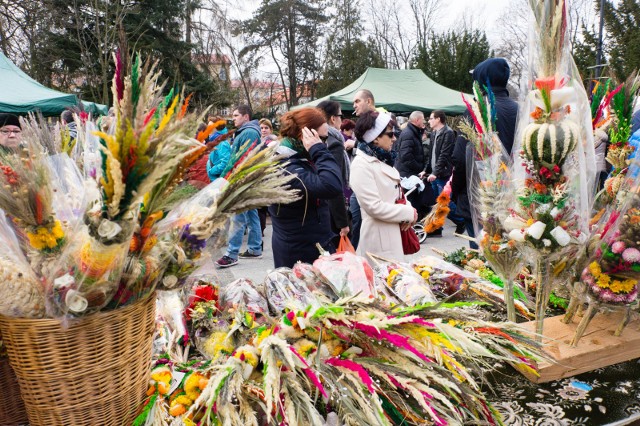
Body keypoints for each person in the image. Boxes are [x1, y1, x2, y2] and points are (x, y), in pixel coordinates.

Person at [451, 58, 519, 249]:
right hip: (512, 198)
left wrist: (454, 192)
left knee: (483, 260)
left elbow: (460, 158)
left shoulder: (477, 112)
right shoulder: (519, 110)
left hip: (480, 201)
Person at [268, 107, 342, 268]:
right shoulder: (284, 166)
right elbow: (332, 185)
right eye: (320, 139)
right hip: (298, 255)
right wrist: (319, 151)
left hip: (314, 247)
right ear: (305, 136)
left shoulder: (300, 157)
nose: (324, 144)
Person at [350, 110, 417, 262]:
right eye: (390, 134)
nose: (394, 138)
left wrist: (410, 209)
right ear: (375, 138)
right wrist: (407, 212)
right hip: (379, 241)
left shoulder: (382, 159)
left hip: (393, 233)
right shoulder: (361, 165)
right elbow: (374, 207)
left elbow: (396, 194)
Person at [215, 105, 263, 268]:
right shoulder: (247, 131)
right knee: (251, 214)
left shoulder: (249, 132)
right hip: (245, 178)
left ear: (246, 117)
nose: (233, 118)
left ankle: (232, 254)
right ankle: (255, 248)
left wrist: (229, 178)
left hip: (242, 179)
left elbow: (242, 158)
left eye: (236, 115)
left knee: (238, 216)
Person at [426, 110, 465, 237]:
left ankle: (461, 220)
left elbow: (444, 154)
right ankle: (437, 228)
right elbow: (431, 154)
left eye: (431, 118)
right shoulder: (434, 133)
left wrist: (435, 172)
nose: (429, 121)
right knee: (437, 202)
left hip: (443, 173)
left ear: (438, 119)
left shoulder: (448, 133)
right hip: (435, 172)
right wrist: (426, 170)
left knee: (445, 201)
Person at [317, 100, 351, 246]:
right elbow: (334, 185)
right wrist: (342, 222)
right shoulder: (334, 143)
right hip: (330, 213)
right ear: (332, 118)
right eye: (340, 116)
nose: (341, 120)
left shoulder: (316, 140)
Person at [349, 89, 377, 249]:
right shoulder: (365, 122)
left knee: (362, 225)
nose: (354, 105)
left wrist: (354, 145)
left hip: (370, 181)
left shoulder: (378, 121)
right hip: (358, 183)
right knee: (357, 223)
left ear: (369, 101)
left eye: (357, 101)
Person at [394, 111, 432, 218]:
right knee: (413, 203)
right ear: (417, 120)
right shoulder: (409, 134)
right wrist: (419, 169)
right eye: (423, 119)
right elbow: (406, 156)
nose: (425, 121)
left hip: (410, 173)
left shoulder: (413, 132)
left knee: (417, 202)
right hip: (408, 175)